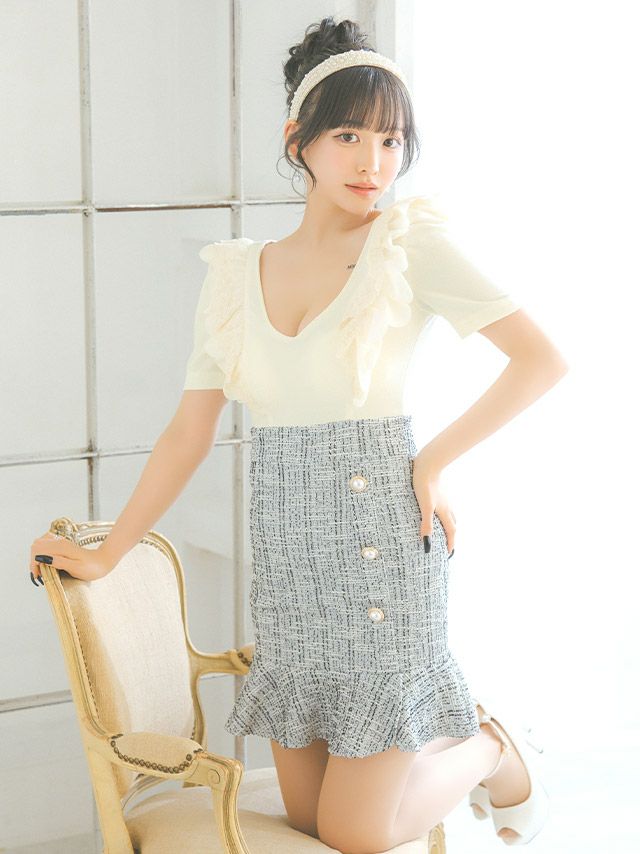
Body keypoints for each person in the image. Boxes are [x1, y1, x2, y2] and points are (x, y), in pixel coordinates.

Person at [29, 15, 569, 853]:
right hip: (291, 570)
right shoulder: (234, 277)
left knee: (356, 832)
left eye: (391, 140)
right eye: (349, 135)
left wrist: (431, 460)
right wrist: (109, 553)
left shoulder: (408, 245)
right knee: (307, 820)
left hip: (383, 553)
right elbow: (187, 434)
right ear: (299, 141)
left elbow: (540, 361)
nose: (372, 162)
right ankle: (473, 750)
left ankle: (492, 747)